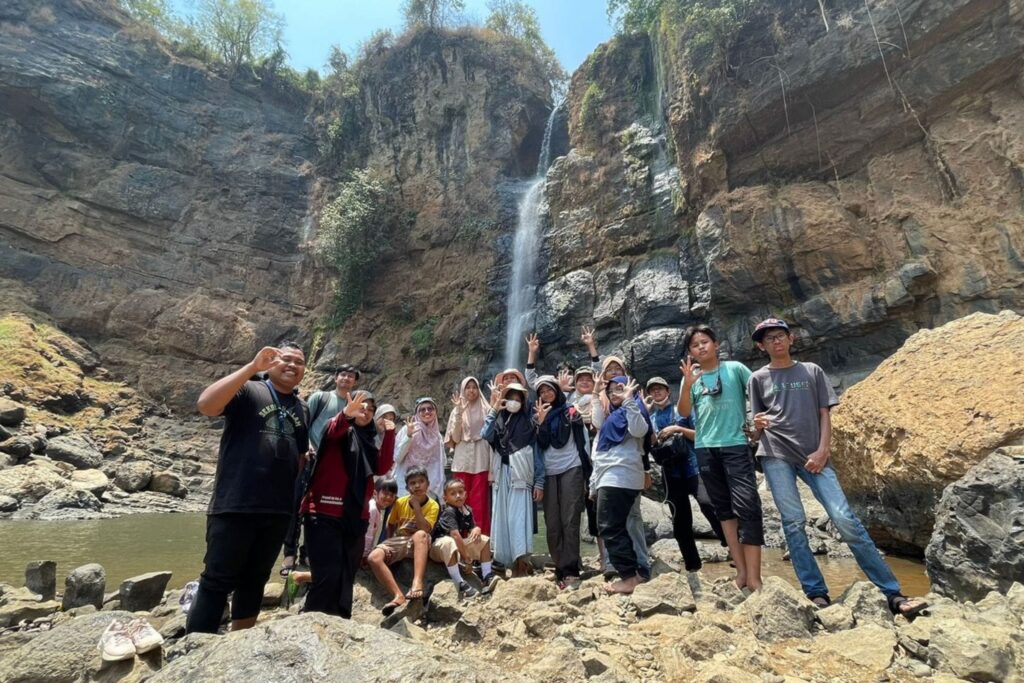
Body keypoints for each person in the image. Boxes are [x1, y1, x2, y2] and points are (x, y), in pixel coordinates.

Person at [748, 318, 929, 617]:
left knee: (844, 518)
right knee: (793, 522)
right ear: (761, 346)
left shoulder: (811, 371)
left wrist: (823, 450)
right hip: (775, 453)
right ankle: (816, 592)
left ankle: (892, 593)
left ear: (791, 339)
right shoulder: (757, 378)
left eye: (780, 336)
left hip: (814, 453)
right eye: (769, 339)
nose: (776, 341)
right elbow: (757, 426)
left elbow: (824, 414)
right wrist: (755, 426)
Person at [187, 343, 309, 634]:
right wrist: (252, 367)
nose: (292, 365)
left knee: (255, 580)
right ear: (272, 362)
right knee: (216, 580)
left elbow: (301, 456)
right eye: (286, 359)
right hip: (236, 503)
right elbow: (206, 405)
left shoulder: (302, 407)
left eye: (299, 362)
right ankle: (196, 647)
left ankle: (240, 642)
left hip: (277, 510)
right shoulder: (249, 389)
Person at [678, 324, 764, 591]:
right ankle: (741, 573)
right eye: (695, 345)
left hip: (735, 445)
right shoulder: (691, 378)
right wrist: (687, 385)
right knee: (724, 512)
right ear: (690, 352)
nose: (701, 347)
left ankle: (755, 577)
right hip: (705, 449)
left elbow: (760, 392)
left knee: (748, 508)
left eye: (705, 342)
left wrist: (756, 424)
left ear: (716, 345)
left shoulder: (735, 369)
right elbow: (683, 412)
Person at [299, 391, 395, 618]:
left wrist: (390, 435)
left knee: (345, 574)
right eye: (362, 407)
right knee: (326, 574)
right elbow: (332, 431)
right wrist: (346, 414)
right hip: (324, 512)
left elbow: (381, 467)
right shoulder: (339, 429)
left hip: (355, 517)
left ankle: (339, 621)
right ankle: (312, 621)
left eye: (371, 410)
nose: (366, 412)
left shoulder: (368, 441)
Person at [281, 364, 361, 575]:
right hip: (310, 458)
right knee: (297, 504)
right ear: (335, 377)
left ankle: (307, 552)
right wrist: (306, 446)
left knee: (316, 510)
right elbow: (303, 425)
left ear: (355, 382)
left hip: (332, 466)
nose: (346, 378)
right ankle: (289, 553)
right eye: (343, 374)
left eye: (351, 376)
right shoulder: (321, 397)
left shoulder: (354, 405)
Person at [645, 377, 725, 572]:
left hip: (693, 467)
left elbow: (701, 435)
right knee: (680, 522)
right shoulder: (651, 419)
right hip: (670, 474)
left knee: (708, 504)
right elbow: (649, 445)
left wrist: (677, 429)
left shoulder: (681, 411)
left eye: (660, 388)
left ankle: (730, 542)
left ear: (668, 391)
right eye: (653, 390)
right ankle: (692, 566)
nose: (657, 392)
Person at [590, 376, 650, 595]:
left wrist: (629, 400)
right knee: (615, 525)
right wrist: (596, 394)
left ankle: (629, 577)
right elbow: (597, 429)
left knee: (609, 526)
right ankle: (634, 572)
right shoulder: (612, 417)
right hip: (609, 476)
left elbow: (640, 430)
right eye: (611, 391)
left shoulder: (633, 410)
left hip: (621, 475)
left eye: (620, 388)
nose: (615, 393)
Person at [534, 375, 591, 590]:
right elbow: (540, 445)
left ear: (557, 391)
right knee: (552, 522)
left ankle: (571, 570)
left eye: (549, 389)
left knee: (570, 519)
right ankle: (559, 565)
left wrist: (587, 474)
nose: (546, 394)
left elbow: (583, 442)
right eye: (542, 392)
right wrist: (540, 423)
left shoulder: (571, 412)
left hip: (572, 468)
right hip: (549, 472)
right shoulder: (539, 415)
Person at [483, 381, 544, 577]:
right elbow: (485, 434)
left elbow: (537, 454)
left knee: (519, 519)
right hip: (502, 473)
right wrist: (495, 409)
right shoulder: (499, 420)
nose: (514, 402)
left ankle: (521, 563)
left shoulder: (530, 422)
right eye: (511, 398)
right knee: (501, 518)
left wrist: (540, 481)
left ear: (524, 402)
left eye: (518, 399)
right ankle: (503, 561)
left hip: (521, 475)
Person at [365, 466, 439, 615]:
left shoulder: (433, 505)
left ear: (428, 484)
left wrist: (417, 507)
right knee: (373, 557)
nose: (417, 486)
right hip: (401, 540)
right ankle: (398, 595)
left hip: (420, 542)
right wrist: (388, 543)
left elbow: (425, 529)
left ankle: (417, 583)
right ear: (407, 487)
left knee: (420, 534)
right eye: (412, 483)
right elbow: (391, 524)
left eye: (421, 481)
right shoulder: (400, 502)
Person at [429, 478, 500, 597]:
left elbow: (472, 530)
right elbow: (455, 536)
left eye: (460, 492)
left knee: (483, 539)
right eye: (453, 494)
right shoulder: (448, 511)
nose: (458, 496)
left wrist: (476, 529)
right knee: (449, 541)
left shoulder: (467, 510)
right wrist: (467, 559)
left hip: (456, 548)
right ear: (445, 498)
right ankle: (460, 582)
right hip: (439, 548)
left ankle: (487, 576)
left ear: (465, 495)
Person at [445, 377, 494, 534]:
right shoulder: (456, 410)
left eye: (474, 387)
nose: (471, 390)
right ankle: (461, 537)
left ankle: (481, 538)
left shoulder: (487, 409)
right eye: (468, 387)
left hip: (481, 459)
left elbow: (491, 438)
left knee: (480, 503)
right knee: (459, 500)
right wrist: (459, 413)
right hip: (462, 461)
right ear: (463, 390)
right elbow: (456, 438)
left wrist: (492, 470)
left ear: (478, 389)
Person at [394, 398, 445, 499]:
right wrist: (408, 436)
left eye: (430, 409)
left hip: (430, 488)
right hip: (407, 486)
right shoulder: (408, 429)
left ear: (435, 412)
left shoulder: (437, 435)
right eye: (422, 409)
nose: (427, 411)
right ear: (417, 413)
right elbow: (398, 458)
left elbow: (441, 462)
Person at [363, 477, 398, 560]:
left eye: (392, 495)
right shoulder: (372, 509)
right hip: (361, 551)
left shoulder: (379, 509)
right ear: (375, 493)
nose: (388, 497)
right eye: (385, 494)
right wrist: (365, 554)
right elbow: (368, 535)